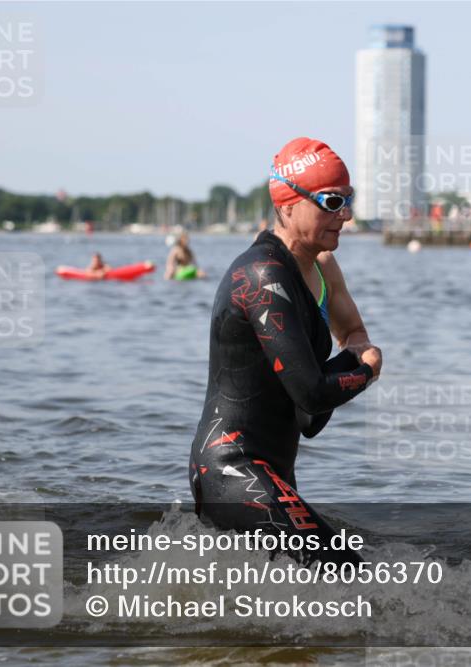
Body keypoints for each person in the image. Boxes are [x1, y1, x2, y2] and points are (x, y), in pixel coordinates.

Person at [189, 137, 381, 565]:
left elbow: (311, 415)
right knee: (346, 573)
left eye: (348, 200)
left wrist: (353, 354)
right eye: (331, 202)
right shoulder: (261, 276)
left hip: (272, 473)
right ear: (289, 204)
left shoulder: (323, 267)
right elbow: (312, 393)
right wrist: (364, 370)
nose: (345, 215)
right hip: (230, 468)